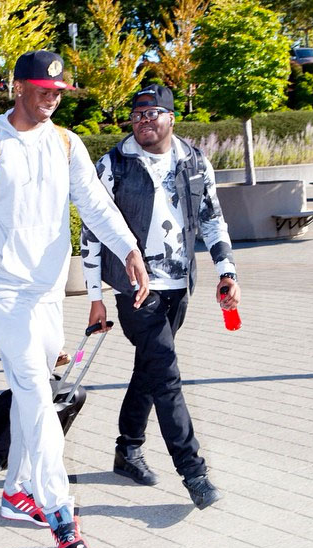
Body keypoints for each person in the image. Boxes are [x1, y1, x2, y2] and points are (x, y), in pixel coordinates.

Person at [0, 50, 148, 548]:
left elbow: (96, 203)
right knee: (37, 396)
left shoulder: (66, 142)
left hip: (47, 292)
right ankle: (60, 510)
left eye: (60, 91)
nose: (53, 98)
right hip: (5, 293)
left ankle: (17, 492)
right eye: (44, 89)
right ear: (17, 88)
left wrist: (128, 249)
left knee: (28, 391)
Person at [81, 84, 241, 510]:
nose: (144, 121)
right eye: (137, 115)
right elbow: (91, 231)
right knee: (166, 373)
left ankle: (127, 448)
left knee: (151, 367)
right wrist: (95, 295)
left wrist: (226, 271)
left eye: (153, 113)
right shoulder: (113, 164)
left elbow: (212, 219)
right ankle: (194, 473)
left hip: (178, 285)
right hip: (137, 289)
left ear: (171, 118)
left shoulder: (193, 160)